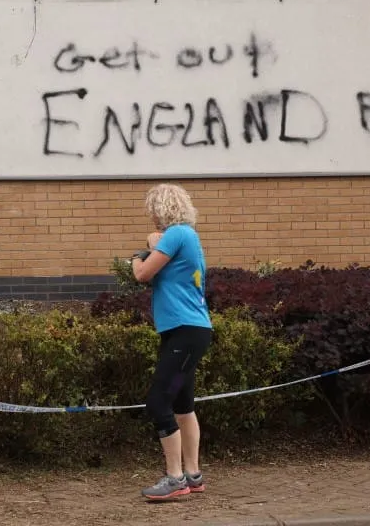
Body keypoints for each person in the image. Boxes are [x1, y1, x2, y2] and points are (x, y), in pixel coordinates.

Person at [131, 183, 213, 501]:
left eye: (152, 210)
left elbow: (142, 274)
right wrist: (153, 245)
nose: (151, 217)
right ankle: (193, 475)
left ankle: (175, 478)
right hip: (186, 331)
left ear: (161, 209)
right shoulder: (187, 235)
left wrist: (138, 256)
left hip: (184, 331)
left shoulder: (176, 234)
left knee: (158, 403)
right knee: (182, 404)